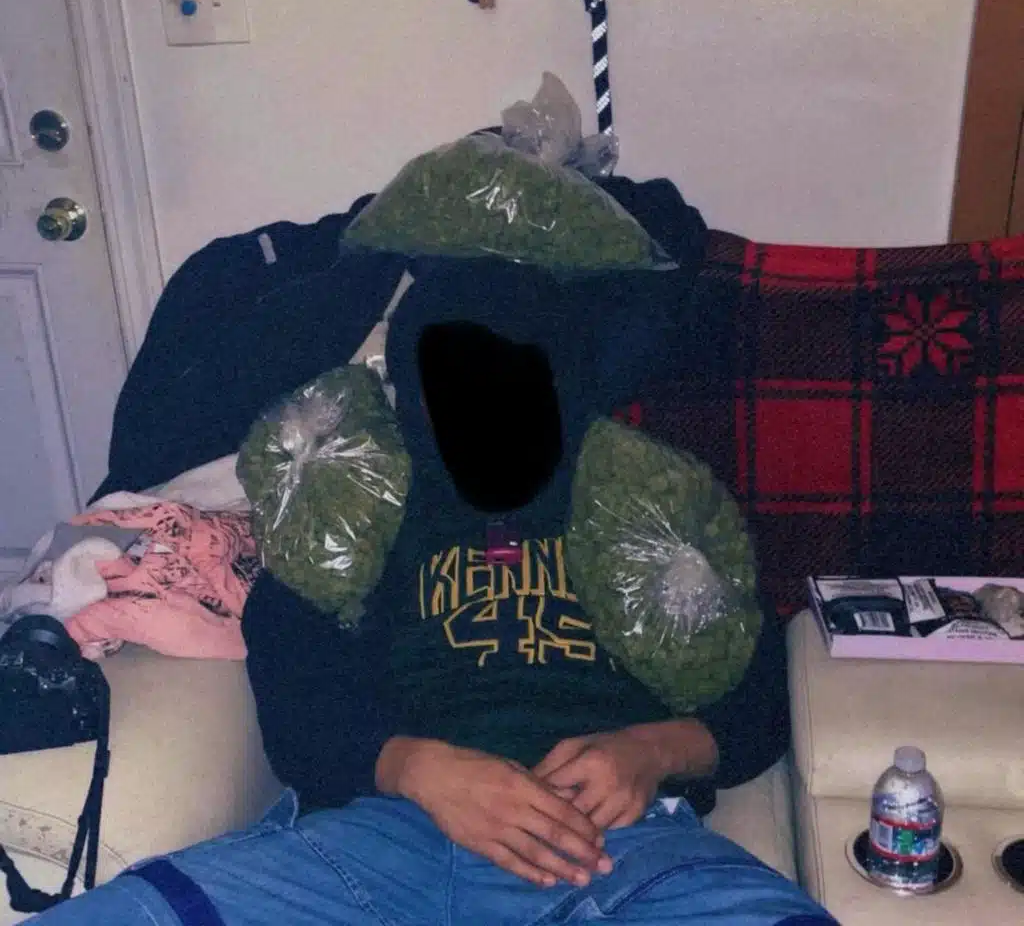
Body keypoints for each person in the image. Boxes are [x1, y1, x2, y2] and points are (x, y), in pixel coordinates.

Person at [33, 282, 836, 925]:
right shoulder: (373, 509)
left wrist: (652, 751)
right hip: (387, 838)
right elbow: (292, 681)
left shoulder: (640, 496)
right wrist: (412, 766)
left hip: (621, 849)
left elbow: (757, 686)